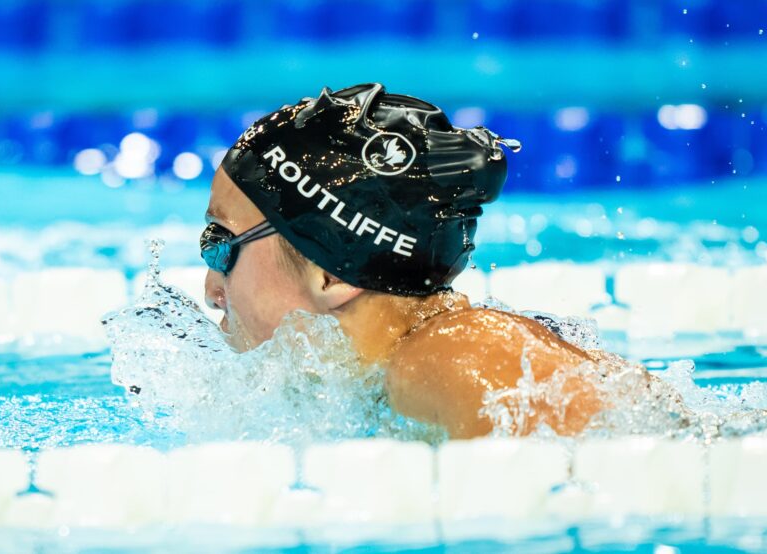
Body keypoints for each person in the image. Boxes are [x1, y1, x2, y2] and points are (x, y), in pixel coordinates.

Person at [200, 83, 609, 439]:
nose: (211, 290)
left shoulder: (457, 355)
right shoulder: (397, 374)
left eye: (219, 244)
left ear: (330, 274)